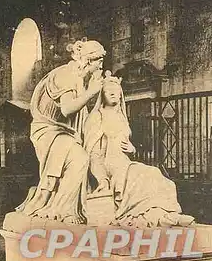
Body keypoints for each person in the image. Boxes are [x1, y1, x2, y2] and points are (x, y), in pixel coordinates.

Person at [83, 71, 195, 228]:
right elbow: (93, 155)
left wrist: (132, 149)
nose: (114, 95)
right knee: (143, 177)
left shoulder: (122, 117)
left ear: (121, 95)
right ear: (102, 95)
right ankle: (157, 216)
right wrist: (102, 180)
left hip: (124, 163)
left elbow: (126, 145)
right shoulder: (96, 117)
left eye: (117, 92)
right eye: (109, 92)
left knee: (154, 174)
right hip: (109, 167)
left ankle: (164, 214)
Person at [16, 38, 106, 224]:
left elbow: (82, 115)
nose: (100, 66)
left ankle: (60, 208)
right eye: (99, 61)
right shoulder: (66, 75)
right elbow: (66, 109)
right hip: (49, 130)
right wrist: (91, 92)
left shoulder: (80, 79)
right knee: (79, 158)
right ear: (89, 60)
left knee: (79, 160)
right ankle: (48, 203)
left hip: (64, 132)